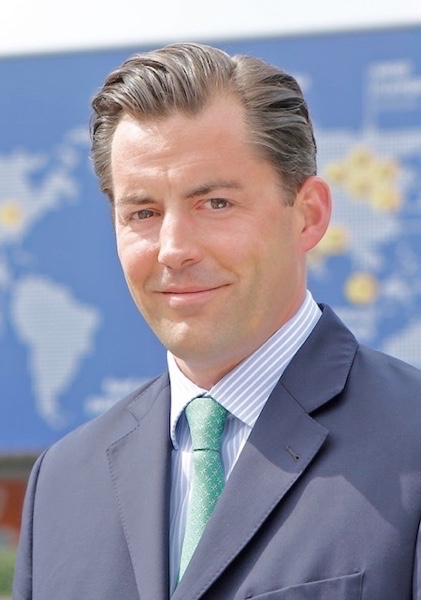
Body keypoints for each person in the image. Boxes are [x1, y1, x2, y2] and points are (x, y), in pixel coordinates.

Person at [12, 42, 421, 600]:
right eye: (143, 212)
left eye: (216, 203)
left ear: (308, 216)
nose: (173, 249)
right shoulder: (62, 485)